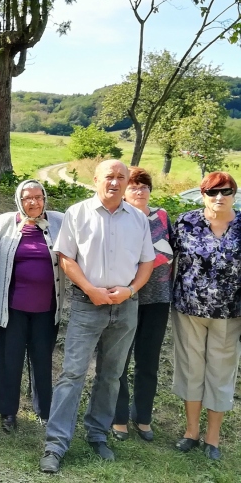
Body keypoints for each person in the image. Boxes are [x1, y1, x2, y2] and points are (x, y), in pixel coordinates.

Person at [39, 160, 155, 474]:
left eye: (121, 177)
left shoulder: (138, 219)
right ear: (96, 179)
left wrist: (130, 292)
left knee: (111, 375)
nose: (115, 183)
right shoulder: (78, 213)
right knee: (73, 374)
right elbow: (66, 258)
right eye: (109, 177)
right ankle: (56, 444)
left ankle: (97, 434)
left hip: (125, 306)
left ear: (128, 181)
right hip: (87, 303)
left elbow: (147, 263)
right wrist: (91, 289)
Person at [169, 171, 241, 461]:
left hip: (230, 312)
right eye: (212, 192)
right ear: (203, 195)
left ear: (234, 194)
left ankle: (213, 439)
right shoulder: (185, 222)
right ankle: (191, 432)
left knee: (220, 374)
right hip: (188, 310)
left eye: (225, 191)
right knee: (190, 370)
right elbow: (166, 259)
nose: (219, 197)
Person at [0, 180, 64, 432]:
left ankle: (44, 410)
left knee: (42, 359)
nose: (33, 202)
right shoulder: (4, 222)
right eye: (27, 197)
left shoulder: (59, 222)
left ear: (45, 198)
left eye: (38, 197)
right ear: (18, 200)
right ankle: (8, 412)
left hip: (46, 307)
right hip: (12, 309)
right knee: (9, 361)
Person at [111, 167, 173, 443]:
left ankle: (144, 418)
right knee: (120, 361)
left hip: (157, 300)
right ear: (125, 190)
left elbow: (172, 252)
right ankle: (119, 417)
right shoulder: (120, 217)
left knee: (148, 362)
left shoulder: (161, 216)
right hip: (127, 298)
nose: (139, 190)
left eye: (144, 186)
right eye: (134, 186)